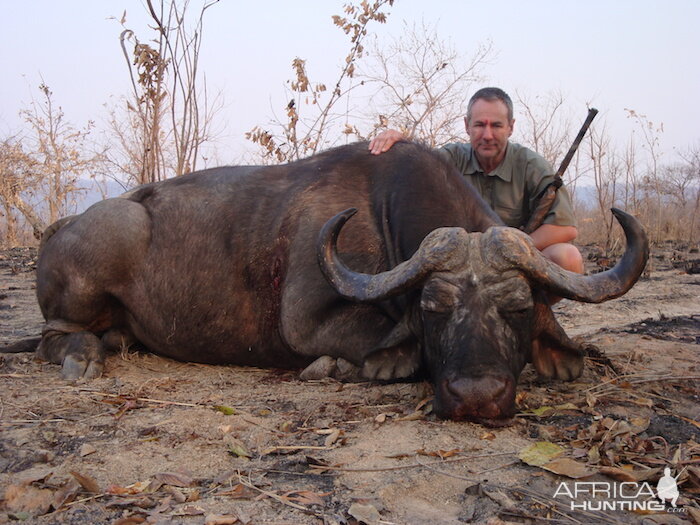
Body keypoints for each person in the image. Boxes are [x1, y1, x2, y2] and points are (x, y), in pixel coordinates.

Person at [368, 87, 583, 278]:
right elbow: (415, 169)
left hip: (513, 267)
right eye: (479, 125)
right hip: (457, 268)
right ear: (466, 125)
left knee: (567, 257)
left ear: (511, 127)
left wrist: (513, 248)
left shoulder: (532, 166)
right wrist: (401, 145)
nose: (487, 135)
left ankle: (529, 317)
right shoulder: (450, 159)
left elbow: (565, 228)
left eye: (497, 125)